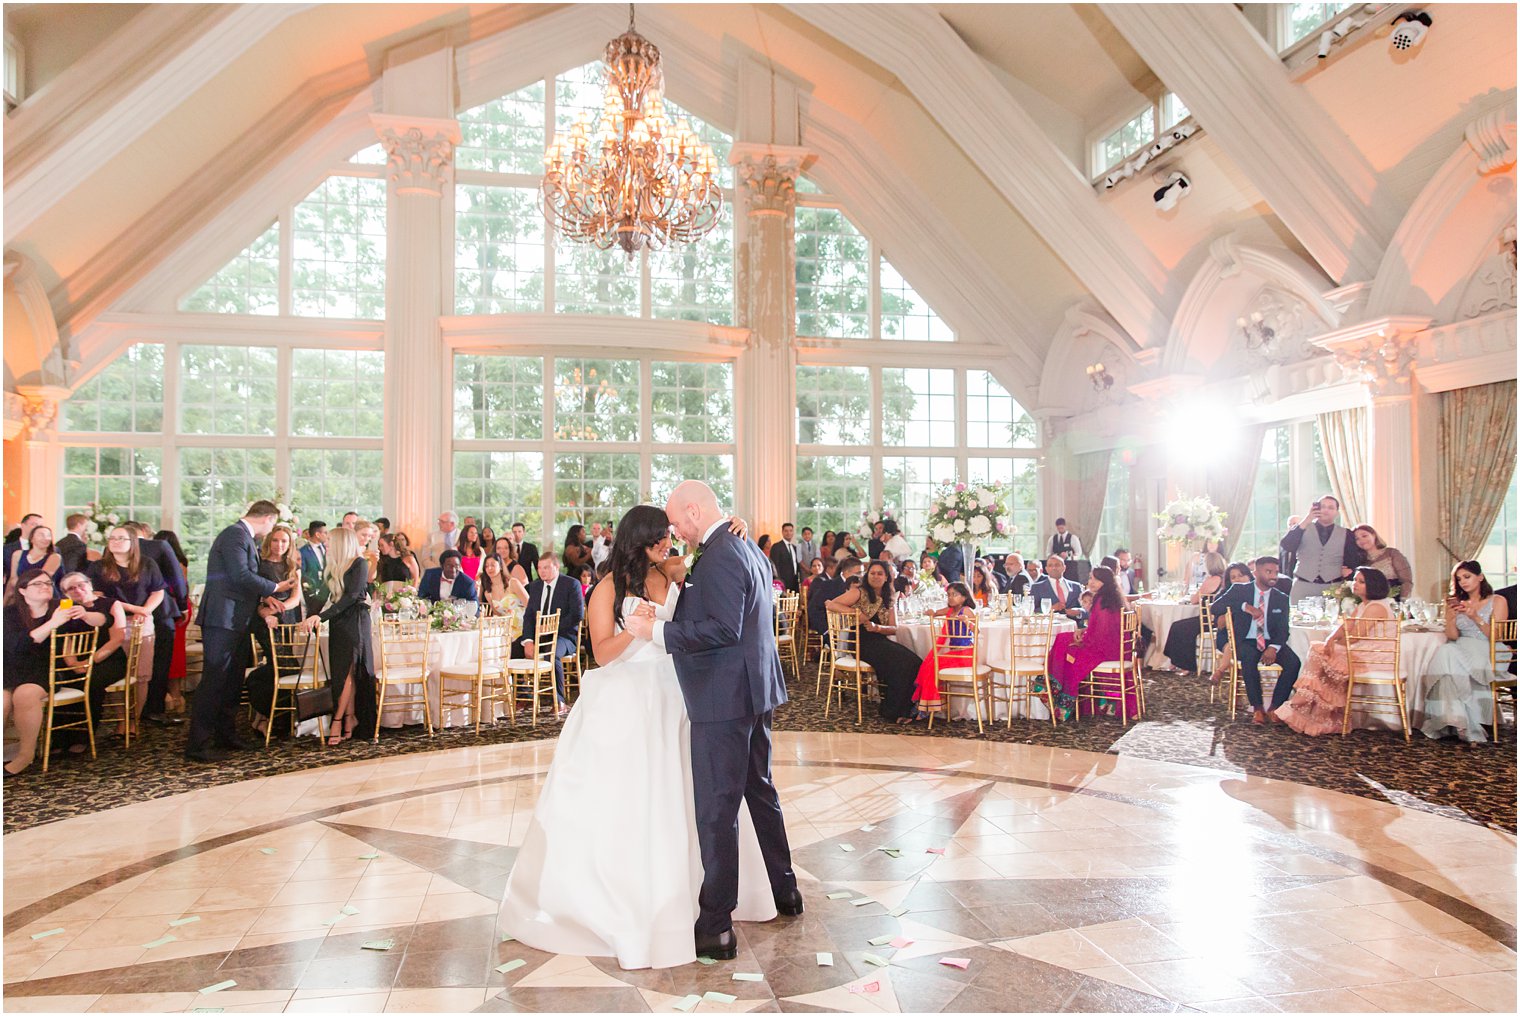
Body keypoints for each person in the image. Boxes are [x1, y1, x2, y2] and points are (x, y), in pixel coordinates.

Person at [500, 505, 779, 968]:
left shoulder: (672, 573)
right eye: (659, 540)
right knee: (633, 800)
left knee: (691, 798)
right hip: (627, 697)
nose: (668, 546)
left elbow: (715, 567)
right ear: (638, 542)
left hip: (676, 693)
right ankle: (629, 900)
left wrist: (739, 527)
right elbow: (603, 653)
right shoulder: (606, 587)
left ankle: (699, 898)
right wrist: (639, 631)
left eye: (669, 538)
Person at [622, 482, 801, 962]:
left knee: (716, 810)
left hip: (725, 698)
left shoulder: (721, 554)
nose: (674, 531)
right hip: (754, 690)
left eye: (676, 520)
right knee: (759, 793)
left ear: (695, 510)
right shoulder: (744, 547)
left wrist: (654, 630)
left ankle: (716, 924)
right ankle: (786, 891)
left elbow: (724, 628)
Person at [186, 501, 290, 762]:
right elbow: (239, 576)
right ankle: (198, 744)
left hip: (237, 619)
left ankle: (225, 735)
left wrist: (263, 602)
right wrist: (274, 588)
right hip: (223, 619)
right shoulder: (235, 534)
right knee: (214, 680)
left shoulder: (242, 537)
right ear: (267, 518)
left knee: (232, 681)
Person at [1276, 567, 1395, 737]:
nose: (1355, 584)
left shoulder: (1377, 606)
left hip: (1375, 656)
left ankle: (1303, 701)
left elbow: (1354, 637)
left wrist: (1333, 645)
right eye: (1355, 580)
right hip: (1361, 652)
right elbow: (1346, 626)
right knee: (1320, 649)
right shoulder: (1363, 605)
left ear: (1373, 585)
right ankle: (1310, 705)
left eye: (1361, 582)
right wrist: (1331, 639)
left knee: (1319, 651)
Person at [1413, 561, 1507, 742]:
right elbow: (1453, 636)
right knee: (1448, 657)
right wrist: (1450, 618)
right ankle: (1461, 722)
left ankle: (1461, 722)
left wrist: (1475, 616)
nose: (1463, 582)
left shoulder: (1497, 601)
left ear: (1480, 577)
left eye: (1467, 577)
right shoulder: (1458, 603)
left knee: (1448, 654)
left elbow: (1497, 636)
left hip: (1489, 648)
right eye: (1459, 579)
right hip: (1461, 647)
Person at [299, 527, 376, 745]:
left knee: (348, 672)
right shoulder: (333, 567)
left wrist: (321, 617)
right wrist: (311, 616)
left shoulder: (359, 563)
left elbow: (351, 597)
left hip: (355, 621)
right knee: (344, 673)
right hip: (339, 621)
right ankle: (349, 719)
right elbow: (323, 595)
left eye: (331, 541)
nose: (327, 544)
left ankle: (338, 720)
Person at [87, 525, 167, 726]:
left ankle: (133, 720)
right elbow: (97, 596)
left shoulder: (147, 564)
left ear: (133, 543)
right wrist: (132, 607)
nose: (115, 541)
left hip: (141, 621)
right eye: (112, 538)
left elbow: (158, 591)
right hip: (113, 623)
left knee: (141, 674)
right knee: (116, 672)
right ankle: (121, 719)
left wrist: (145, 610)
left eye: (121, 538)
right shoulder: (99, 567)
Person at [3, 570, 82, 775]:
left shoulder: (62, 607)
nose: (45, 586)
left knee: (25, 694)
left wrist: (86, 612)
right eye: (37, 584)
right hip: (12, 667)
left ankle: (25, 755)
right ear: (22, 590)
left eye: (48, 583)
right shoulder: (9, 613)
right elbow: (16, 645)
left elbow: (96, 620)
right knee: (2, 699)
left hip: (46, 669)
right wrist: (53, 623)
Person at [825, 560, 923, 722]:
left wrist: (877, 627)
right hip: (861, 641)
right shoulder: (859, 592)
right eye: (872, 573)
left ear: (886, 577)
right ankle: (893, 712)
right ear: (867, 575)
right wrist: (858, 614)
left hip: (879, 639)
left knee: (913, 662)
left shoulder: (889, 597)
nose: (876, 577)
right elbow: (831, 604)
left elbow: (893, 628)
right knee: (901, 663)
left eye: (880, 574)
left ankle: (901, 710)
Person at [1211, 557, 1302, 725]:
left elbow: (1283, 629)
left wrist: (1273, 648)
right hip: (1246, 640)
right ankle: (1257, 708)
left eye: (1275, 572)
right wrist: (1244, 607)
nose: (1273, 576)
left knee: (1294, 663)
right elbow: (1215, 608)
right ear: (1256, 573)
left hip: (1270, 641)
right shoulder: (1240, 590)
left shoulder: (1280, 598)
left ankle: (1275, 707)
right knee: (1249, 658)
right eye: (1269, 572)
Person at [244, 525, 305, 738]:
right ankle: (267, 715)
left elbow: (295, 598)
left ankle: (265, 717)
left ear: (290, 545)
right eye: (276, 540)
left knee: (286, 667)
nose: (280, 545)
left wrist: (279, 609)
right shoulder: (259, 566)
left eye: (284, 541)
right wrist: (266, 612)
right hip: (265, 621)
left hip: (287, 618)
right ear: (269, 541)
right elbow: (255, 597)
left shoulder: (292, 567)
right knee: (283, 667)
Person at [56, 571, 129, 745]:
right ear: (65, 593)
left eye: (80, 585)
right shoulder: (65, 609)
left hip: (108, 658)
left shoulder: (111, 604)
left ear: (89, 584)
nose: (77, 590)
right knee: (62, 680)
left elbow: (117, 639)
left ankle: (83, 737)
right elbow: (65, 640)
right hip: (77, 661)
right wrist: (73, 664)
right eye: (71, 588)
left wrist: (90, 662)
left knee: (91, 682)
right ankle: (60, 739)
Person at [128, 521, 190, 727]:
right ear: (144, 533)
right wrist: (182, 605)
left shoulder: (113, 549)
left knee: (129, 662)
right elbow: (176, 579)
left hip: (127, 611)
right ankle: (153, 709)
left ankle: (130, 709)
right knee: (160, 662)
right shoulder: (160, 546)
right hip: (161, 611)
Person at [1047, 566, 1128, 720]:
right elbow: (1101, 627)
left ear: (1105, 582)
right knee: (1063, 638)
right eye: (1091, 578)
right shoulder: (1112, 597)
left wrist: (1083, 640)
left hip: (1104, 649)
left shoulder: (1102, 600)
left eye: (1096, 579)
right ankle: (1059, 693)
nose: (1091, 582)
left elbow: (1102, 632)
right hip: (1113, 645)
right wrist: (1084, 631)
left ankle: (1061, 698)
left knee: (1064, 645)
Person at [517, 551, 586, 717]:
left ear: (557, 567)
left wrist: (552, 629)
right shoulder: (535, 587)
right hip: (538, 637)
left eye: (546, 567)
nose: (542, 571)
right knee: (512, 650)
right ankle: (523, 695)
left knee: (552, 654)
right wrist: (528, 640)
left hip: (565, 636)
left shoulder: (571, 584)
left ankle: (559, 700)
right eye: (540, 568)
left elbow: (577, 615)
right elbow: (528, 617)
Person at [910, 581, 976, 723]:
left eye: (955, 595)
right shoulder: (950, 611)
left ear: (964, 597)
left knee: (932, 665)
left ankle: (926, 706)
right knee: (929, 663)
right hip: (953, 654)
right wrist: (931, 613)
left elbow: (977, 630)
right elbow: (936, 613)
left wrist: (967, 622)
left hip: (965, 655)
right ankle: (926, 704)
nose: (951, 598)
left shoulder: (967, 611)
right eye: (949, 595)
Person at [1279, 496, 1359, 602]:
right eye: (1323, 506)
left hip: (1333, 586)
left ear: (1336, 512)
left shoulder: (1346, 533)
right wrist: (1307, 519)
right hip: (1303, 585)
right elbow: (1287, 545)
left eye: (1331, 508)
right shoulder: (1302, 528)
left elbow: (1353, 558)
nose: (1326, 510)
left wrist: (1348, 570)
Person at [1161, 552, 1230, 673]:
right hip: (1215, 619)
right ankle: (1175, 661)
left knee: (1179, 627)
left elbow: (1194, 600)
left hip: (1209, 620)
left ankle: (1185, 665)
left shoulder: (1212, 579)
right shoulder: (1224, 579)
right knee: (1180, 626)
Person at [154, 528, 194, 713]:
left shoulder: (168, 564)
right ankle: (173, 696)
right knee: (174, 652)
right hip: (177, 607)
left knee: (172, 653)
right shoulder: (180, 561)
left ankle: (173, 696)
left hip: (175, 609)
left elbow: (178, 588)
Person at [1351, 525, 1413, 600]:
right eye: (1357, 539)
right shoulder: (1360, 562)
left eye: (1364, 536)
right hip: (1371, 602)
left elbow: (1406, 580)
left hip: (1394, 599)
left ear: (1373, 535)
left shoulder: (1392, 553)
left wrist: (1402, 600)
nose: (1361, 540)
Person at [5, 524, 61, 595]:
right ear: (32, 538)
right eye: (41, 535)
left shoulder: (54, 557)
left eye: (48, 535)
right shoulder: (18, 554)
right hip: (21, 595)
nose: (46, 538)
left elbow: (40, 578)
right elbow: (12, 579)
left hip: (45, 595)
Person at [1029, 555, 1084, 620]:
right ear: (1046, 569)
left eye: (1057, 565)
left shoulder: (1076, 587)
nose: (1054, 568)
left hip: (1074, 625)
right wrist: (1050, 608)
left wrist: (1078, 611)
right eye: (1050, 565)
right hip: (1049, 626)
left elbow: (1086, 609)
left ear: (1064, 568)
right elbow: (1031, 610)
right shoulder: (1037, 587)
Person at [3, 513, 43, 586]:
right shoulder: (6, 549)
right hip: (14, 591)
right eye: (34, 524)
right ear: (23, 525)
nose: (37, 528)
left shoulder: (49, 549)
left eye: (40, 526)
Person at [300, 521, 330, 612]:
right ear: (317, 534)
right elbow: (303, 573)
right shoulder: (303, 551)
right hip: (312, 593)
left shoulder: (327, 548)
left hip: (327, 590)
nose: (327, 535)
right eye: (325, 533)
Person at [769, 522, 800, 593]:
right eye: (786, 531)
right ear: (782, 532)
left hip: (794, 581)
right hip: (783, 582)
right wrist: (779, 581)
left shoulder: (795, 548)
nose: (788, 533)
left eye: (790, 531)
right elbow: (775, 565)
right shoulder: (776, 547)